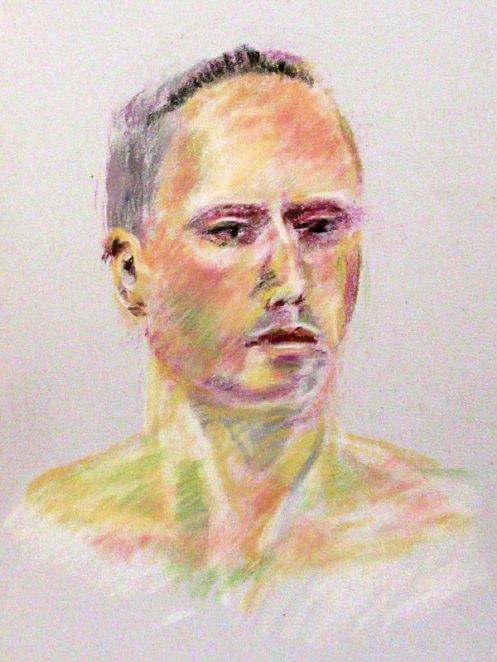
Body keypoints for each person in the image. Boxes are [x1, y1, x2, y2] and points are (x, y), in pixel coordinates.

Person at [11, 46, 476, 626]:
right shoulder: (49, 542)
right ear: (131, 274)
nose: (290, 280)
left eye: (320, 227)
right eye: (230, 231)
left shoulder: (445, 540)